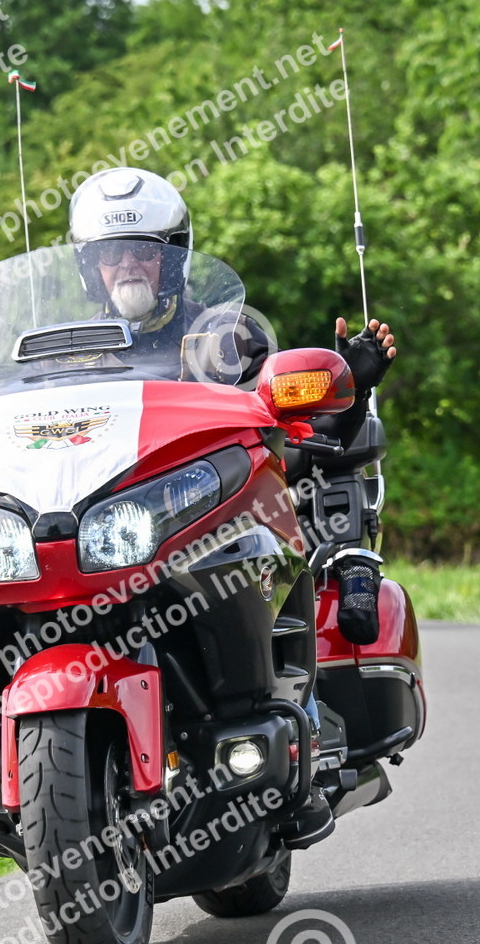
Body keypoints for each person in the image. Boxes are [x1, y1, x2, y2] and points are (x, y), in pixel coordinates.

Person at [66, 167, 397, 640]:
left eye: (144, 250)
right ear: (90, 268)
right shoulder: (64, 357)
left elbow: (301, 445)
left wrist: (353, 387)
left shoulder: (227, 338)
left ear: (172, 258)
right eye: (110, 253)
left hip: (210, 531)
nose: (127, 264)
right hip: (98, 539)